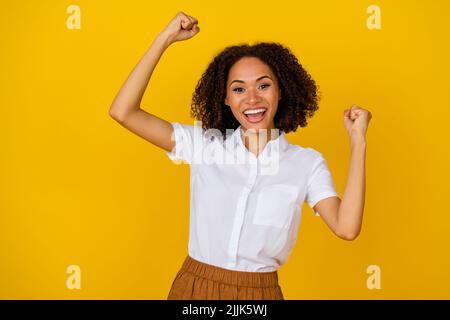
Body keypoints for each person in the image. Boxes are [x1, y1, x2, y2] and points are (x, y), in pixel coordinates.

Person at [109, 11, 372, 300]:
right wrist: (166, 38)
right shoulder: (205, 145)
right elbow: (123, 112)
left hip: (259, 295)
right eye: (238, 89)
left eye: (263, 85)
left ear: (280, 90)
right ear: (225, 98)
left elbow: (346, 228)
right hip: (195, 288)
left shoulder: (306, 164)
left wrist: (357, 141)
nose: (252, 99)